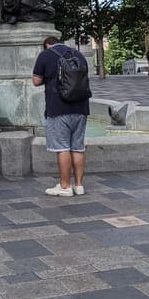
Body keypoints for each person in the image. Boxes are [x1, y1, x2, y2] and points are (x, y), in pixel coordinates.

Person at [32, 36, 91, 197]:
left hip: (58, 107)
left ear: (46, 45)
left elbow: (36, 81)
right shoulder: (78, 54)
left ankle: (65, 186)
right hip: (81, 107)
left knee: (62, 147)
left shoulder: (46, 55)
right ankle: (79, 186)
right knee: (78, 147)